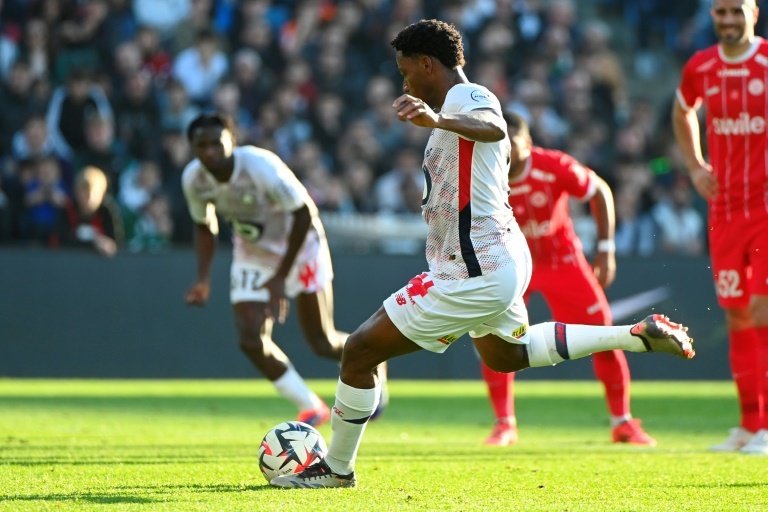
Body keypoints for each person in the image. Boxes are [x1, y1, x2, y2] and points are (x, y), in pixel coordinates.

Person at [271, 19, 694, 489]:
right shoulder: (450, 109)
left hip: (474, 268)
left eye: (406, 71)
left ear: (428, 64)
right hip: (495, 261)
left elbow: (493, 127)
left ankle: (336, 468)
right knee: (505, 355)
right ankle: (635, 336)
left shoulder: (469, 99)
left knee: (359, 350)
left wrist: (437, 120)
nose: (404, 81)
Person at [182, 112, 385, 428]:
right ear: (192, 148)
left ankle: (374, 357)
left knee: (321, 341)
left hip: (302, 246)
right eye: (201, 146)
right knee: (250, 339)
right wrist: (203, 279)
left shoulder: (261, 166)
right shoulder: (194, 179)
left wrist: (279, 278)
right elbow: (204, 226)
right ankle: (311, 406)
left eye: (215, 144)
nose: (209, 152)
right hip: (254, 252)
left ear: (231, 142)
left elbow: (304, 214)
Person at [480, 111, 655, 447]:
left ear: (527, 143)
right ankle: (504, 424)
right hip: (511, 263)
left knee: (604, 335)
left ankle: (623, 422)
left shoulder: (553, 165)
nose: (504, 151)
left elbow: (599, 191)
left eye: (511, 143)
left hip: (562, 261)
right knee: (495, 339)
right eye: (498, 142)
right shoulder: (485, 175)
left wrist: (606, 248)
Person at [672, 0, 768, 455]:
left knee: (763, 312)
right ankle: (750, 425)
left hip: (766, 210)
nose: (728, 20)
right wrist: (694, 166)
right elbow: (682, 110)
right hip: (725, 211)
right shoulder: (701, 66)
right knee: (736, 314)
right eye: (720, 12)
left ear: (754, 12)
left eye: (736, 11)